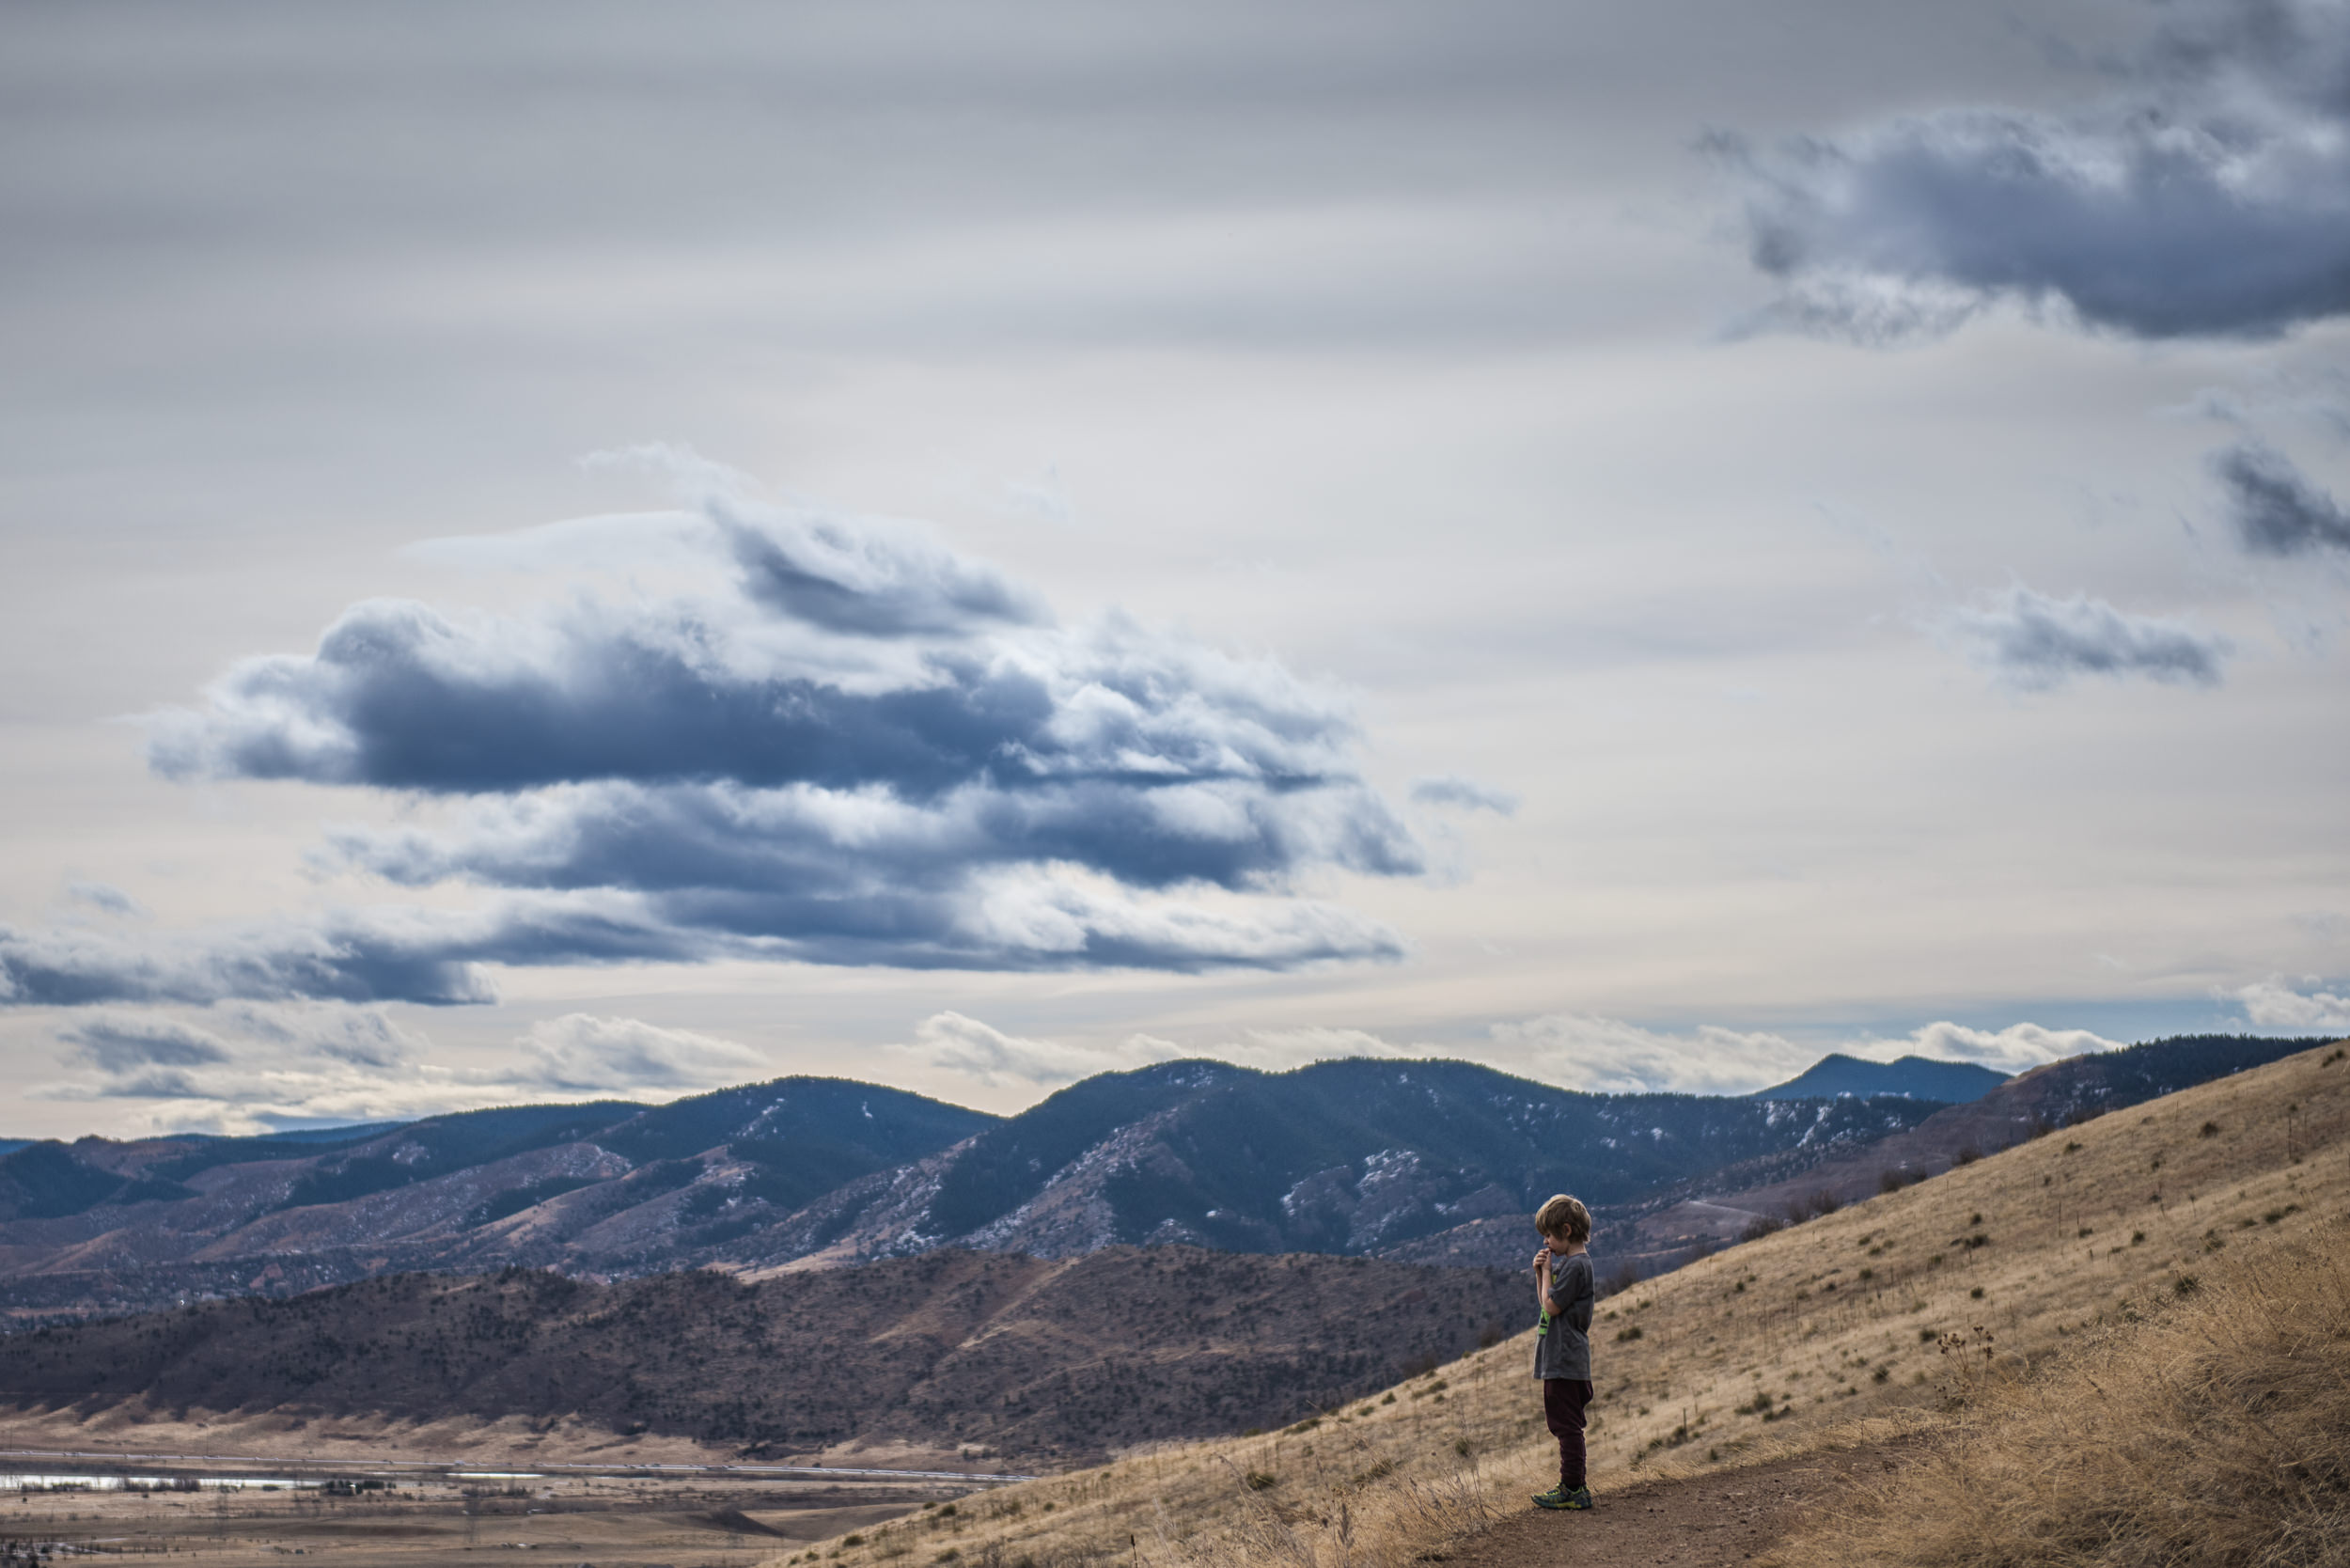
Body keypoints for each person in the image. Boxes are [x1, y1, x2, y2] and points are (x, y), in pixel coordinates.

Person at [1528, 1192, 1595, 1511]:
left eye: (1550, 1235)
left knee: (1566, 1424)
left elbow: (1550, 1306)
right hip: (1565, 1358)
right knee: (1565, 1423)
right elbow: (1551, 1303)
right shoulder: (1575, 1266)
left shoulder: (1575, 1266)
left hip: (1565, 1360)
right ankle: (1572, 1485)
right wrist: (1544, 1275)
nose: (1546, 1241)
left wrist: (1544, 1273)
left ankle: (1573, 1487)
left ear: (1566, 1231)